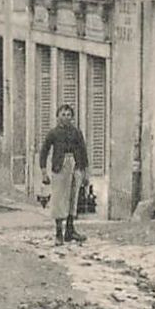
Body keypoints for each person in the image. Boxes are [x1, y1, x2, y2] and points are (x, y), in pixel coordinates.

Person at [38, 104, 90, 245]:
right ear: (58, 117)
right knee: (59, 199)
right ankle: (58, 233)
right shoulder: (53, 133)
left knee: (73, 198)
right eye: (63, 114)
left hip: (75, 165)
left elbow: (83, 152)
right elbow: (44, 152)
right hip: (60, 168)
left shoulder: (77, 133)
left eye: (68, 115)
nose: (66, 117)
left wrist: (85, 172)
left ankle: (70, 230)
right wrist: (43, 171)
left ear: (72, 117)